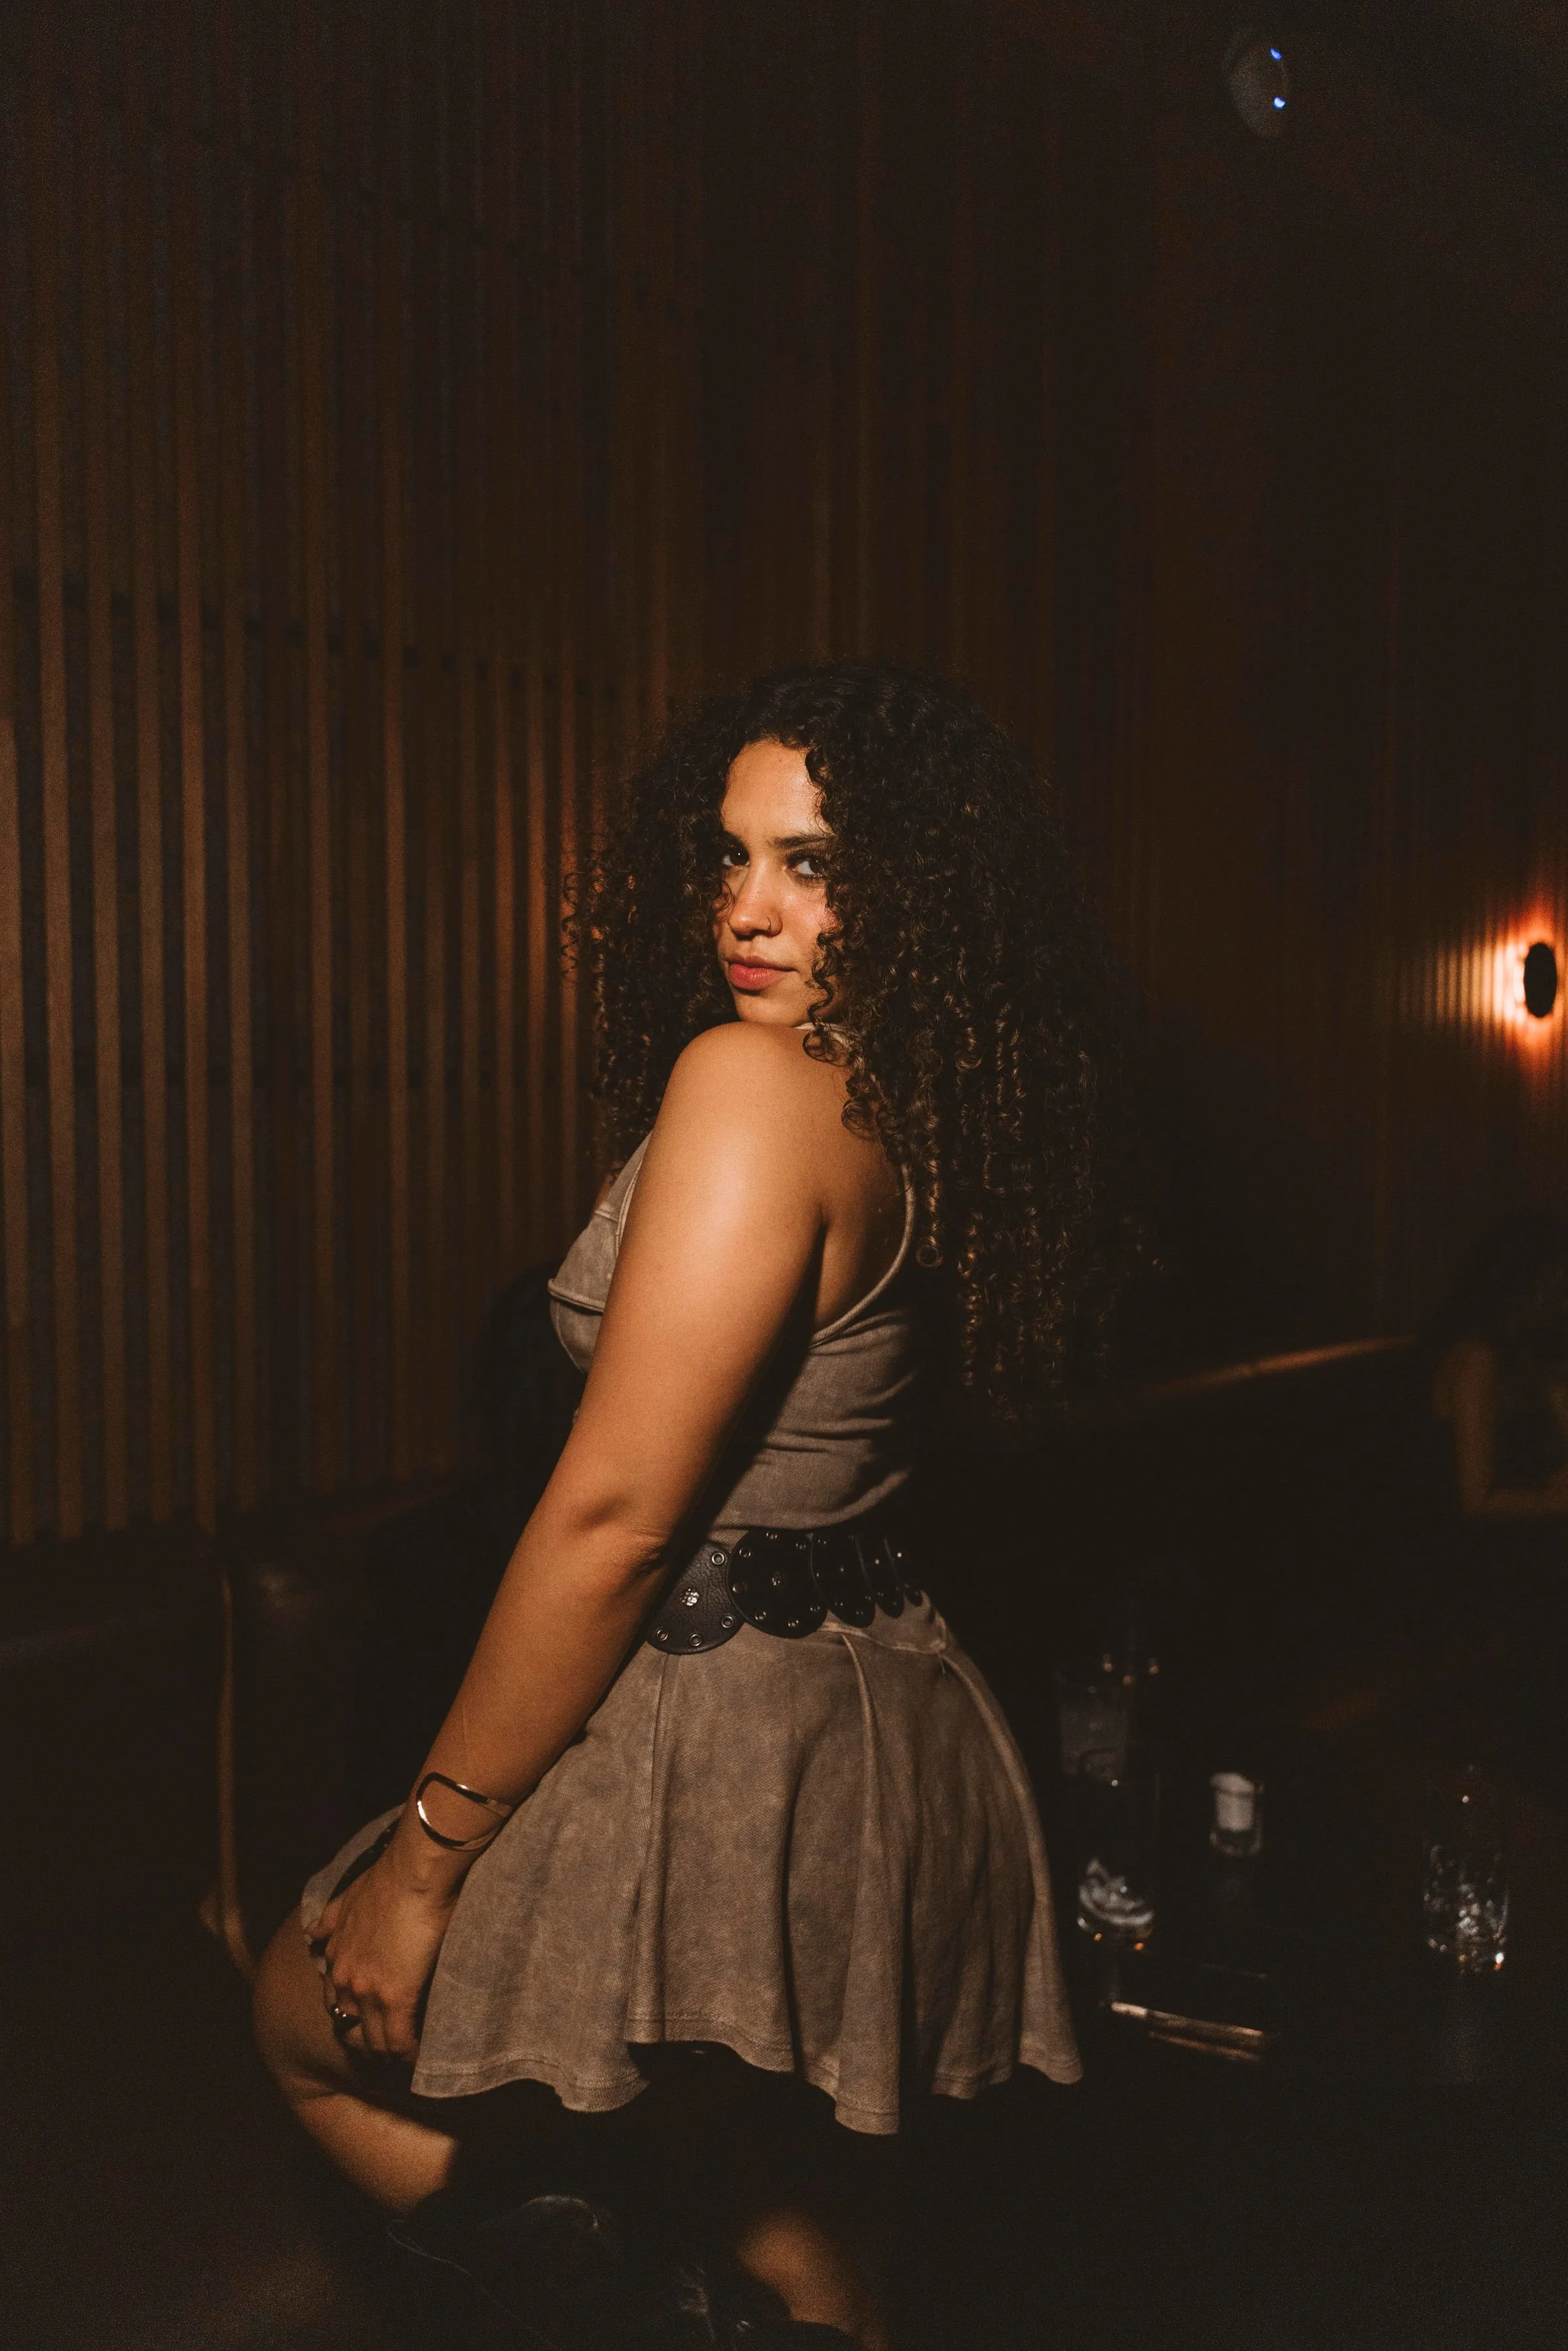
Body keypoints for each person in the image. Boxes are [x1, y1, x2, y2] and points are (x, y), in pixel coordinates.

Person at [254, 662, 1134, 2347]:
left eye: (810, 861)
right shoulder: (925, 1093)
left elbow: (616, 1522)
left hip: (730, 1733)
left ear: (918, 887)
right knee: (797, 2221)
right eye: (731, 857)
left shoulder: (748, 1089)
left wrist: (427, 1866)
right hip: (886, 1713)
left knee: (302, 2022)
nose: (748, 907)